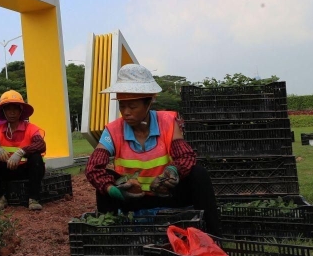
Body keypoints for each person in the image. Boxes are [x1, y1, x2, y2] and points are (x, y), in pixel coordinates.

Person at [85, 64, 221, 234]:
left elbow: (186, 156)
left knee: (198, 174)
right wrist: (113, 190)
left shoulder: (167, 122)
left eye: (132, 107)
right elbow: (93, 167)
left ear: (148, 102)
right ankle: (111, 236)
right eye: (122, 106)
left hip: (166, 194)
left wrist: (173, 171)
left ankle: (213, 235)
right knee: (104, 185)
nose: (126, 112)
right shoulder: (113, 130)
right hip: (133, 199)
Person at [0, 90, 47, 211]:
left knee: (36, 158)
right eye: (8, 109)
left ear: (20, 111)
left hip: (27, 170)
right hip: (7, 170)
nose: (12, 112)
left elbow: (41, 145)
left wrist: (21, 152)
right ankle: (0, 198)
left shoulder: (30, 128)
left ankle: (34, 198)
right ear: (3, 111)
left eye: (15, 109)